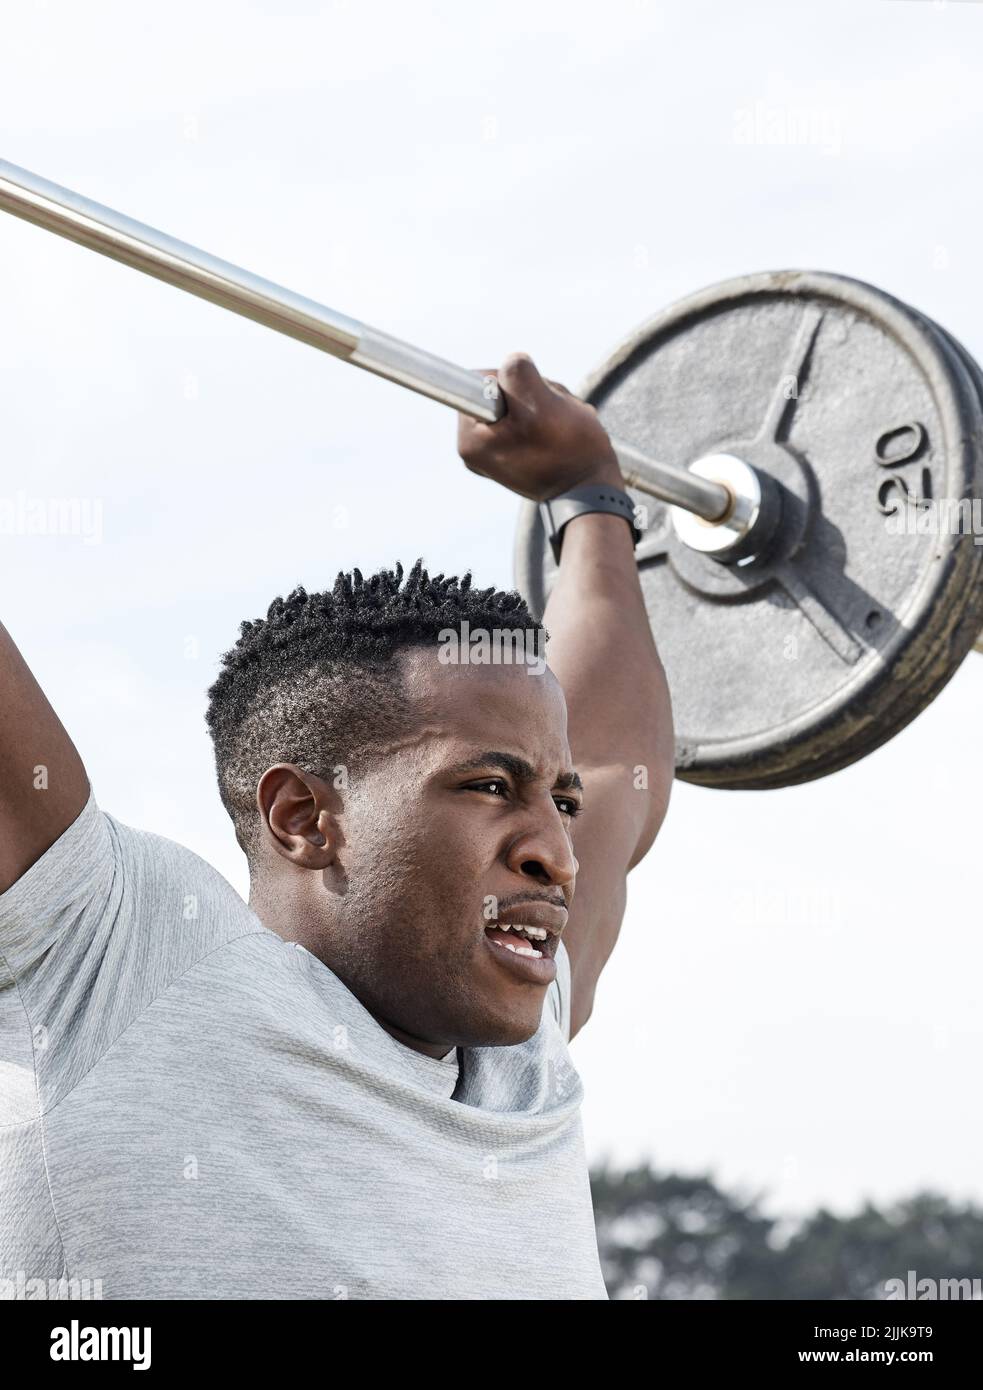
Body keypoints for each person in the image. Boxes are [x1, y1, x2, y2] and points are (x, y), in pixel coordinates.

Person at [0, 353, 673, 1300]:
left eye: (555, 804)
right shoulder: (108, 960)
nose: (556, 851)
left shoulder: (523, 1051)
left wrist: (589, 497)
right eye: (488, 784)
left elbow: (614, 767)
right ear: (305, 817)